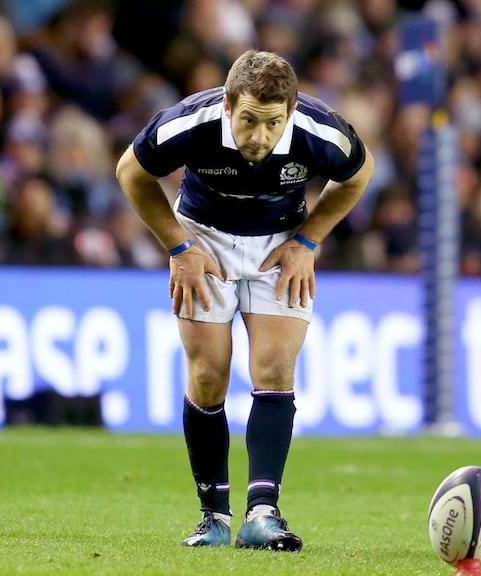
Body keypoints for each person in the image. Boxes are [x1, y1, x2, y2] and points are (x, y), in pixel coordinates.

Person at [114, 50, 374, 551]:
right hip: (203, 239)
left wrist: (309, 242)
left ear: (292, 114)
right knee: (209, 374)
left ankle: (262, 514)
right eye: (249, 120)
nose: (259, 137)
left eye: (273, 124)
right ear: (230, 105)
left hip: (280, 243)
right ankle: (213, 516)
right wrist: (178, 248)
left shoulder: (323, 132)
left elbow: (358, 176)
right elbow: (131, 172)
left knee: (275, 368)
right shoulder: (189, 123)